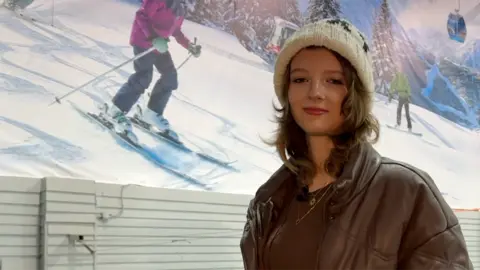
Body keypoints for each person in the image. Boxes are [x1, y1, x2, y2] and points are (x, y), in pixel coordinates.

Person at [240, 18, 473, 270]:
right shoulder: (269, 200)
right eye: (300, 79)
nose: (315, 92)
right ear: (287, 92)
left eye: (334, 81)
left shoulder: (407, 193)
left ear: (355, 95)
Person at [106, 0, 201, 136]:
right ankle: (115, 111)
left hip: (159, 46)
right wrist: (153, 37)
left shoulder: (180, 7)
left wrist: (189, 46)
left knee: (170, 76)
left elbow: (176, 31)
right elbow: (141, 15)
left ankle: (152, 113)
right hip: (143, 41)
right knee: (144, 76)